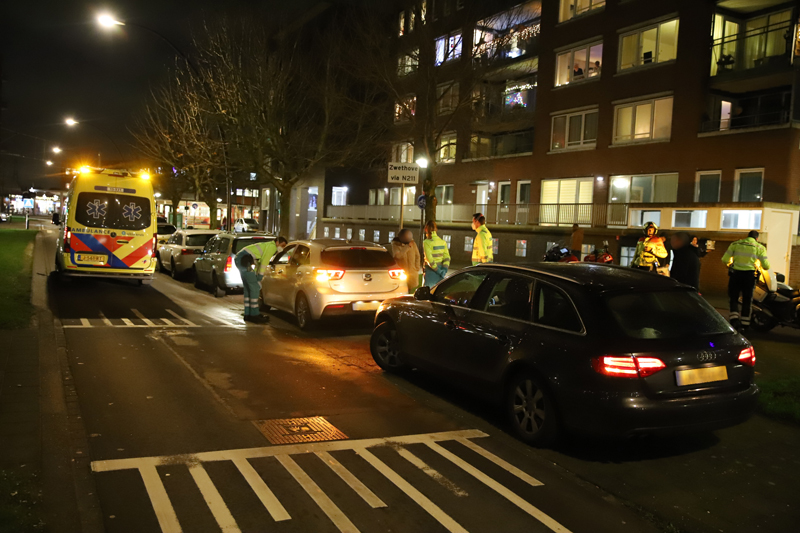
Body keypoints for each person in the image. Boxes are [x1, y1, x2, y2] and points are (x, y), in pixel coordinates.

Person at [721, 230, 770, 332]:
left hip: (736, 275)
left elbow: (724, 259)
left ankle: (734, 320)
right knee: (747, 300)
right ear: (757, 238)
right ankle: (745, 324)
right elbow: (766, 265)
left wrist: (731, 265)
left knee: (733, 297)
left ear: (747, 236)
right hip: (749, 277)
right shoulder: (760, 248)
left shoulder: (735, 244)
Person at [234, 236, 288, 323]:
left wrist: (256, 274)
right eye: (283, 245)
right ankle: (254, 314)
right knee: (255, 288)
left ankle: (248, 314)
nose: (283, 248)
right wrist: (259, 277)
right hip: (245, 259)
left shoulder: (267, 245)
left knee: (248, 288)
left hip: (241, 258)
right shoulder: (272, 247)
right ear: (277, 242)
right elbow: (264, 263)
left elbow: (258, 262)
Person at [392, 228, 421, 293]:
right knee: (402, 290)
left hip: (412, 272)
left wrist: (417, 267)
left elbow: (417, 255)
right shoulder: (396, 245)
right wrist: (407, 247)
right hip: (402, 273)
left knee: (410, 291)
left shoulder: (413, 244)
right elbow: (398, 256)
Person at [423, 220, 450, 287]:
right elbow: (447, 257)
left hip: (431, 271)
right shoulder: (442, 242)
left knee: (428, 292)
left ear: (426, 229)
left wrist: (437, 270)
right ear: (436, 229)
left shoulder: (426, 242)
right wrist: (444, 269)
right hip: (441, 271)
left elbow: (429, 259)